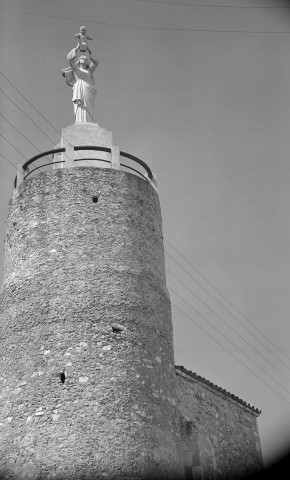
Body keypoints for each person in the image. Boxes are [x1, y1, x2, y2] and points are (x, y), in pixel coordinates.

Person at [66, 47, 99, 123]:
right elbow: (70, 59)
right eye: (82, 58)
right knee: (80, 106)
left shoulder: (89, 71)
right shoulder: (76, 70)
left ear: (87, 62)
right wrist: (77, 48)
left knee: (89, 108)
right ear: (79, 61)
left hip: (88, 92)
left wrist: (89, 49)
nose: (84, 59)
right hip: (79, 90)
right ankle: (79, 122)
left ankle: (89, 122)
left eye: (85, 58)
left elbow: (96, 62)